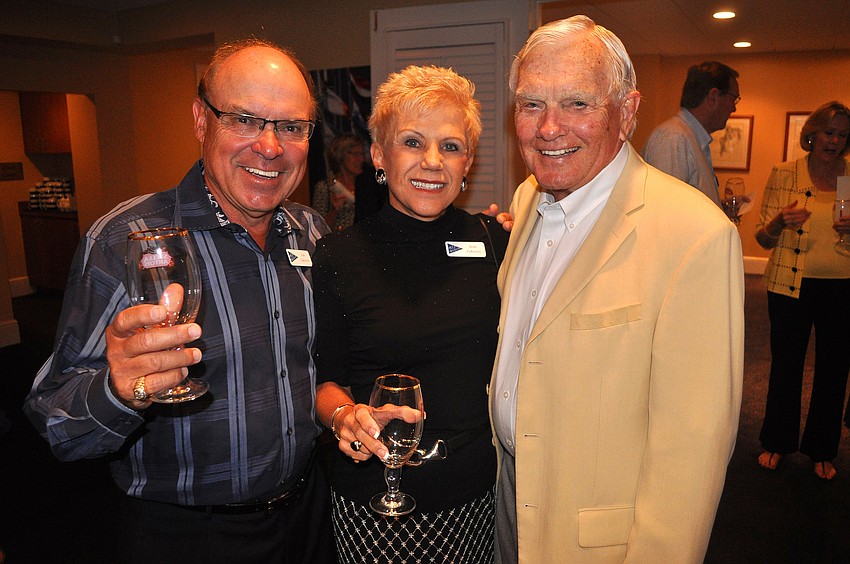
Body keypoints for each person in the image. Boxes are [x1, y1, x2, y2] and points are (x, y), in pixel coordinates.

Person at [23, 39, 336, 564]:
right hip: (189, 536)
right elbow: (56, 423)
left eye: (291, 126)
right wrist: (120, 389)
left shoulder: (312, 231)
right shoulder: (125, 239)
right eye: (244, 119)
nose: (270, 146)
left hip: (308, 516)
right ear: (200, 120)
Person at [490, 16, 744, 563]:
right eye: (531, 104)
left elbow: (692, 449)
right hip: (508, 500)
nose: (549, 127)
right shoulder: (527, 198)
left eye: (577, 104)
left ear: (626, 113)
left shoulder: (694, 235)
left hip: (601, 540)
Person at [313, 65, 508, 563]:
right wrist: (345, 416)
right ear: (379, 155)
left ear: (468, 163)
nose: (432, 162)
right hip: (377, 498)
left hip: (474, 492)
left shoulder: (494, 242)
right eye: (412, 142)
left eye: (451, 146)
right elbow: (324, 382)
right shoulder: (338, 256)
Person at [755, 101, 850, 481]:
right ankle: (777, 441)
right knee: (786, 365)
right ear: (811, 134)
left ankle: (822, 449)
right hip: (788, 285)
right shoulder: (785, 173)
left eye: (842, 135)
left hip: (842, 287)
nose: (835, 141)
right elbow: (762, 238)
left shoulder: (849, 176)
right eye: (829, 132)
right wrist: (779, 221)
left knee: (834, 369)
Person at [641, 61, 740, 207]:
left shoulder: (690, 139)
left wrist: (721, 209)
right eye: (733, 99)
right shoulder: (674, 139)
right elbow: (666, 211)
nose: (733, 108)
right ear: (713, 97)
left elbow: (688, 207)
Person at [312, 133, 365, 231]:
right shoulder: (325, 187)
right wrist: (334, 209)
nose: (361, 159)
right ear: (340, 155)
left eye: (362, 154)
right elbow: (317, 229)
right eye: (355, 154)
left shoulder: (367, 186)